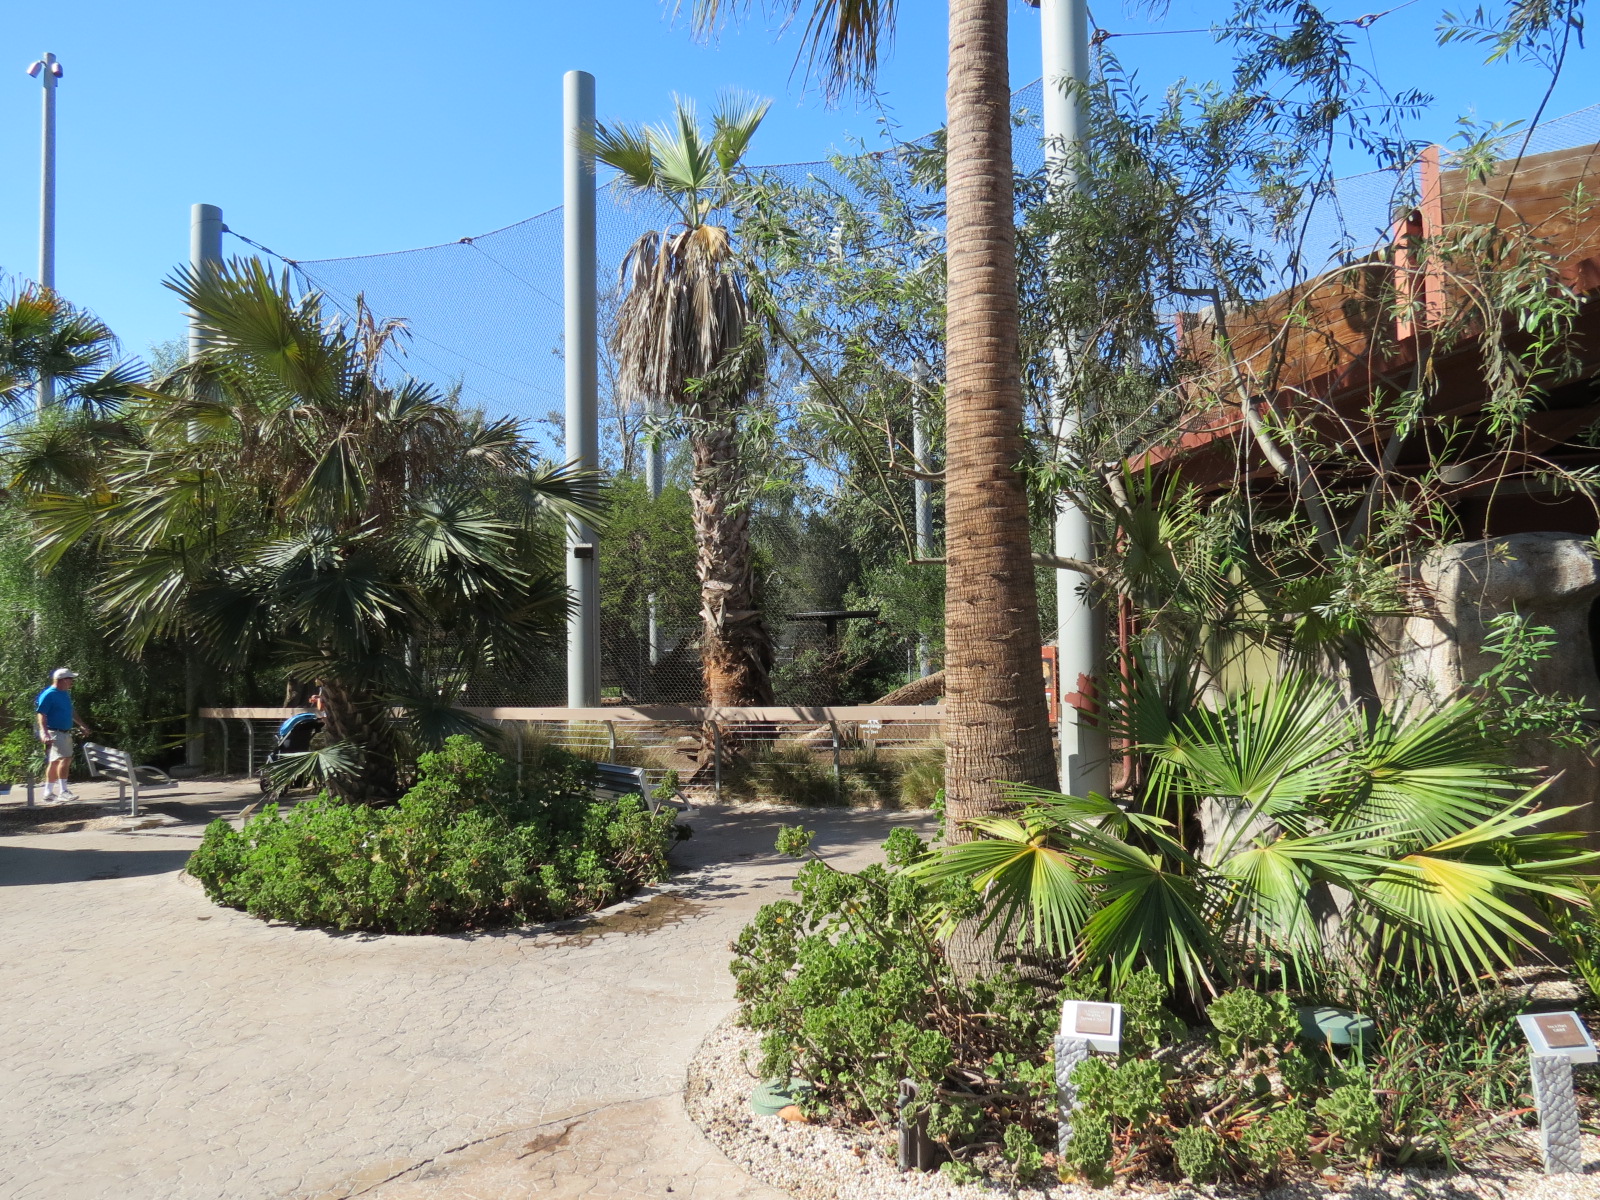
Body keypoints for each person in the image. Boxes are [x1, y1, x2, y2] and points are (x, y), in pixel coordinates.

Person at [35, 668, 91, 803]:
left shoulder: (64, 693)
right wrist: (44, 732)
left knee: (55, 762)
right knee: (65, 759)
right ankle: (63, 791)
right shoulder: (49, 694)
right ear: (64, 680)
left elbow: (70, 710)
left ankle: (48, 792)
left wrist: (81, 724)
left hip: (63, 732)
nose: (72, 682)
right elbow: (41, 713)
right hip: (55, 732)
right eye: (71, 679)